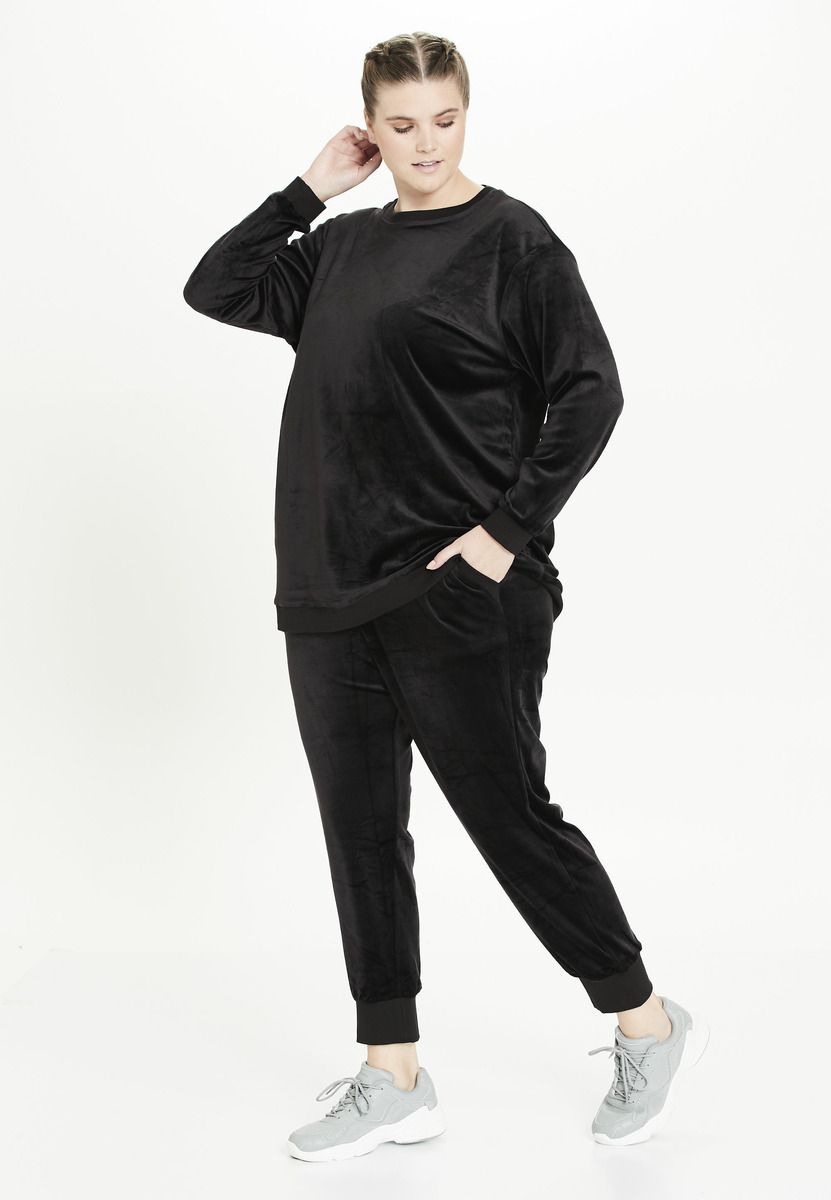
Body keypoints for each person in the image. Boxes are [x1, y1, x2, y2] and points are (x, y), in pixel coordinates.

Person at [183, 30, 709, 1162]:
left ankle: (647, 1023)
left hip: (459, 587)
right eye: (402, 125)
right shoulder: (337, 249)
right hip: (328, 589)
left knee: (509, 817)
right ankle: (394, 1075)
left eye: (444, 119)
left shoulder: (512, 240)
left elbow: (591, 391)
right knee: (361, 835)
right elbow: (214, 286)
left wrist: (503, 536)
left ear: (467, 113)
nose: (425, 145)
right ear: (371, 126)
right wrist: (310, 190)